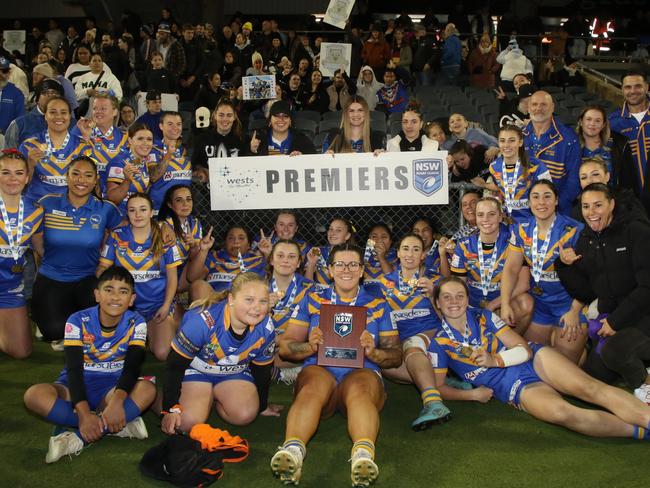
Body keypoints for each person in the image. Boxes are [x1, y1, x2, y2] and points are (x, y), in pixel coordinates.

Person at [427, 276, 650, 440]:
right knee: (562, 413)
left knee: (590, 388)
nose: (454, 301)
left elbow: (523, 348)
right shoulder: (438, 343)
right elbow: (437, 387)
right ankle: (640, 432)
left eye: (460, 295)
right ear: (437, 302)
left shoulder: (483, 316)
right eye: (446, 297)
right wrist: (473, 395)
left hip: (533, 360)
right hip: (512, 387)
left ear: (467, 299)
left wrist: (495, 360)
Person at [271, 243, 401, 486]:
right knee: (311, 386)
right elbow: (287, 346)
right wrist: (309, 346)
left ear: (362, 270)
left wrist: (374, 352)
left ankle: (362, 455)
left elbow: (396, 355)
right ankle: (293, 451)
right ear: (330, 270)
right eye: (340, 264)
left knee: (361, 390)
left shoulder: (378, 304)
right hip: (322, 370)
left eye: (353, 264)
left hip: (362, 371)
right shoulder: (313, 299)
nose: (347, 269)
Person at [23, 266, 156, 463]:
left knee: (148, 390)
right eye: (108, 289)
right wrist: (84, 414)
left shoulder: (137, 322)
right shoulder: (77, 320)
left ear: (132, 300)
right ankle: (115, 425)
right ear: (97, 295)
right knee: (33, 396)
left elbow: (132, 367)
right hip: (74, 385)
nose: (115, 297)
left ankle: (77, 439)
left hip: (111, 388)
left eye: (123, 291)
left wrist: (117, 402)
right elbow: (74, 370)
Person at [557, 183, 650, 404]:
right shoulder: (586, 239)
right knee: (592, 379)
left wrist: (616, 322)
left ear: (612, 205)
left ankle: (646, 389)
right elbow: (586, 291)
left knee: (615, 351)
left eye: (598, 205)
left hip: (643, 317)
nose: (592, 212)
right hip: (616, 322)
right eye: (587, 206)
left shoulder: (636, 230)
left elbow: (647, 287)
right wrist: (563, 265)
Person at [161, 272, 279, 436]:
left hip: (233, 373)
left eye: (263, 301)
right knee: (186, 423)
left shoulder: (266, 328)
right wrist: (169, 409)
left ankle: (213, 396)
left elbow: (263, 369)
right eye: (249, 300)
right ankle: (157, 396)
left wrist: (263, 405)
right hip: (196, 371)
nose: (257, 307)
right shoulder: (201, 322)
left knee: (245, 415)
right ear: (231, 300)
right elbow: (174, 365)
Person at [33, 156, 122, 347]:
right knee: (53, 331)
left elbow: (126, 230)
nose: (81, 180)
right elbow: (35, 235)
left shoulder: (105, 209)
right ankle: (60, 314)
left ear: (95, 180)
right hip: (52, 276)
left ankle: (74, 313)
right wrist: (46, 256)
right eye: (76, 174)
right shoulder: (47, 204)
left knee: (99, 327)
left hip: (88, 278)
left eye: (88, 175)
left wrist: (104, 262)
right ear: (67, 176)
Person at [500, 180, 586, 363]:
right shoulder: (522, 229)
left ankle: (584, 351)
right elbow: (511, 268)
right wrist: (505, 303)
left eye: (547, 196)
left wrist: (574, 311)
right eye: (535, 197)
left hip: (568, 304)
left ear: (556, 201)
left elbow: (590, 275)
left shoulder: (574, 229)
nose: (541, 202)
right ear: (529, 202)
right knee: (538, 361)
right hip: (540, 305)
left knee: (566, 366)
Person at [97, 193, 181, 360]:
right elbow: (102, 269)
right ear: (126, 213)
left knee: (163, 353)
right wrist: (106, 289)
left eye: (143, 209)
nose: (137, 215)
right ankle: (138, 331)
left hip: (156, 306)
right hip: (125, 307)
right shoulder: (117, 235)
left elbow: (172, 278)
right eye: (132, 210)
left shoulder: (165, 238)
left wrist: (165, 306)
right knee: (116, 354)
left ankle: (174, 318)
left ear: (151, 212)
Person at [450, 197, 533, 334]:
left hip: (501, 303)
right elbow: (458, 285)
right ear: (475, 218)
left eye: (491, 214)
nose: (485, 219)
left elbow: (523, 284)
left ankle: (508, 345)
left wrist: (494, 304)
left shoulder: (513, 242)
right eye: (480, 215)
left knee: (526, 302)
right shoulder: (464, 245)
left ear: (500, 217)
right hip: (472, 303)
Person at [0, 150, 44, 358]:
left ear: (27, 178)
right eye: (5, 173)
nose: (12, 179)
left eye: (18, 173)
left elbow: (41, 250)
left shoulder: (35, 212)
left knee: (21, 352)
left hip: (11, 287)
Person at [19, 96, 92, 202]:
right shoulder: (30, 145)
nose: (59, 116)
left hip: (70, 206)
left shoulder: (83, 147)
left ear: (69, 116)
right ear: (45, 116)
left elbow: (91, 185)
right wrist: (30, 165)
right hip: (37, 204)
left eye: (63, 112)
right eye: (53, 112)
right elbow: (20, 186)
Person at [522, 91, 581, 215]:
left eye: (543, 104)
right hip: (524, 211)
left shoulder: (568, 138)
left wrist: (555, 205)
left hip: (558, 211)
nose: (538, 108)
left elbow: (574, 179)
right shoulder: (519, 136)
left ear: (552, 107)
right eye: (534, 104)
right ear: (528, 108)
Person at [267, 239, 314, 385]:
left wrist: (281, 341)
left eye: (292, 256)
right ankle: (289, 372)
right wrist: (263, 308)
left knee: (311, 350)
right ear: (271, 260)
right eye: (280, 256)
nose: (285, 260)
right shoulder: (256, 285)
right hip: (264, 343)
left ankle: (275, 371)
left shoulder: (310, 289)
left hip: (291, 346)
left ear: (299, 262)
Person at [485, 125, 552, 221]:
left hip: (534, 221)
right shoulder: (494, 167)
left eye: (512, 140)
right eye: (502, 141)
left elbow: (548, 196)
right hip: (509, 222)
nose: (506, 145)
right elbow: (501, 191)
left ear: (520, 142)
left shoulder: (536, 166)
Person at [608, 71, 650, 213]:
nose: (633, 91)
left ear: (647, 87)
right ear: (622, 89)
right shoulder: (613, 123)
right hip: (630, 200)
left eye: (638, 86)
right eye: (628, 87)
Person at [73, 93, 129, 196]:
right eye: (95, 109)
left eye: (103, 109)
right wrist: (86, 138)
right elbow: (73, 164)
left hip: (115, 196)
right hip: (87, 194)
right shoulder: (80, 130)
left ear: (115, 111)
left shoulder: (125, 138)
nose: (98, 112)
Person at [188, 225, 266, 297]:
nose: (236, 241)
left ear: (249, 245)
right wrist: (203, 250)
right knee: (198, 286)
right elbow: (192, 278)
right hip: (214, 303)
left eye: (241, 238)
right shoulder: (214, 256)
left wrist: (268, 254)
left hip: (243, 304)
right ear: (225, 243)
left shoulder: (258, 261)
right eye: (231, 238)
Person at [577, 105, 636, 191]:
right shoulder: (571, 146)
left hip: (613, 198)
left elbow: (628, 180)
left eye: (598, 121)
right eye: (588, 119)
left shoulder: (618, 144)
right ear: (581, 122)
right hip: (581, 200)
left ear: (603, 125)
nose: (592, 124)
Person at [157, 185, 202, 293]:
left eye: (188, 199)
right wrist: (163, 225)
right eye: (179, 200)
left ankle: (179, 293)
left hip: (182, 272)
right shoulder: (163, 225)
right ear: (170, 205)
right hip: (165, 271)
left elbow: (194, 258)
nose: (185, 204)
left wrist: (193, 245)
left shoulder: (195, 223)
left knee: (202, 264)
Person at [573, 158, 647, 222]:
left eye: (595, 174)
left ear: (607, 176)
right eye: (583, 177)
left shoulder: (627, 202)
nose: (589, 180)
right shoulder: (576, 211)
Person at [105, 123, 157, 214]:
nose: (145, 143)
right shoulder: (119, 162)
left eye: (149, 139)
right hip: (119, 219)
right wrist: (127, 181)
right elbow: (112, 199)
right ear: (130, 140)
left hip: (136, 217)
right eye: (140, 139)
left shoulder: (143, 162)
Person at [191, 98, 247, 182]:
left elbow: (247, 168)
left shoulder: (242, 140)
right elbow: (195, 163)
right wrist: (202, 170)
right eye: (221, 115)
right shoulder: (202, 139)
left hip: (235, 187)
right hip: (207, 190)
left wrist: (253, 151)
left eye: (229, 115)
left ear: (234, 117)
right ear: (215, 116)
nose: (225, 119)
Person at [4, 78, 66, 149]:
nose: (50, 96)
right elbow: (9, 156)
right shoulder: (19, 124)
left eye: (55, 93)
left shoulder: (72, 124)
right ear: (37, 99)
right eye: (45, 93)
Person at [149, 111, 192, 212]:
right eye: (170, 124)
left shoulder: (185, 150)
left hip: (182, 210)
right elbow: (153, 177)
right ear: (161, 126)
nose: (175, 128)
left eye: (178, 124)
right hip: (159, 210)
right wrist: (168, 154)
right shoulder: (153, 148)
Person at [248, 100, 316, 156]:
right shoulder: (257, 139)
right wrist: (252, 151)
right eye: (277, 116)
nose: (281, 119)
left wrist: (303, 158)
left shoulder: (302, 140)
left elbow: (313, 162)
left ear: (290, 121)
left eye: (285, 116)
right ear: (270, 120)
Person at [303, 217, 354, 290]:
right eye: (331, 229)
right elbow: (306, 284)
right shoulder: (316, 251)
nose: (333, 233)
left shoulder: (352, 256)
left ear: (347, 236)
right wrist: (311, 264)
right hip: (316, 295)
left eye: (338, 230)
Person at [0, 56, 25, 134]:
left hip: (6, 139)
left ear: (9, 73)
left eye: (4, 71)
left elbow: (19, 120)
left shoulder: (17, 94)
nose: (0, 74)